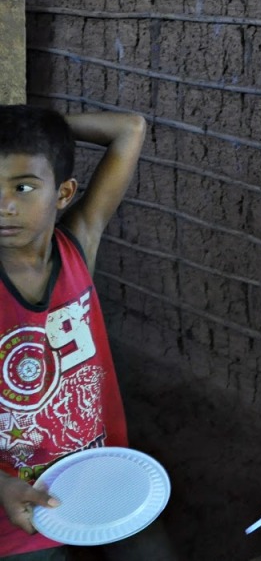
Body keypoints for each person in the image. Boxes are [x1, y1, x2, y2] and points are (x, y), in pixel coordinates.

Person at [0, 105, 174, 560]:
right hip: (16, 510)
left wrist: (41, 129)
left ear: (64, 193)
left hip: (102, 479)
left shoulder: (76, 244)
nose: (4, 205)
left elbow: (130, 128)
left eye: (23, 186)